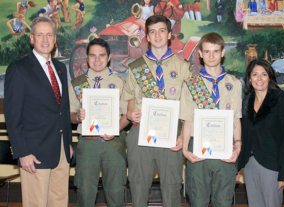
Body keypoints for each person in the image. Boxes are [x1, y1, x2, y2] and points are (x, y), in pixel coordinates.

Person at [4, 16, 72, 207]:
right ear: (32, 39)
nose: (45, 39)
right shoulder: (18, 69)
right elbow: (12, 115)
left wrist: (66, 142)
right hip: (34, 153)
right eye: (40, 35)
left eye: (49, 35)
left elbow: (62, 110)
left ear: (55, 39)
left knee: (59, 202)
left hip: (61, 152)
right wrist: (22, 152)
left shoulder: (59, 68)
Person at [123, 15, 191, 207]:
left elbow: (191, 105)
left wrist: (183, 137)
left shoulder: (183, 67)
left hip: (172, 135)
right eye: (152, 32)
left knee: (171, 188)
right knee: (138, 187)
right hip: (140, 131)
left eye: (162, 30)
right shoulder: (136, 67)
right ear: (147, 37)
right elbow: (128, 95)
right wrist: (130, 112)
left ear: (169, 34)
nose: (157, 35)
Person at [181, 32, 242, 207]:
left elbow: (236, 119)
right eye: (207, 51)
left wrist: (238, 146)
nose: (211, 56)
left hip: (226, 149)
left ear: (223, 52)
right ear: (200, 53)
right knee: (198, 201)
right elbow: (187, 120)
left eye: (215, 51)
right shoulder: (191, 83)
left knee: (223, 201)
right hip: (197, 150)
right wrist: (185, 150)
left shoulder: (235, 83)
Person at [69, 38, 129, 207]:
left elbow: (127, 115)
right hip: (88, 144)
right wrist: (77, 117)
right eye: (92, 55)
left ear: (109, 57)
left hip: (114, 143)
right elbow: (69, 114)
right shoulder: (77, 83)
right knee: (85, 192)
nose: (97, 60)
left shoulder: (120, 83)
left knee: (116, 191)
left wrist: (115, 128)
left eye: (101, 55)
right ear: (87, 58)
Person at [237, 59, 284, 207]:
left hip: (272, 166)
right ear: (249, 78)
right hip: (249, 165)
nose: (259, 79)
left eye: (264, 74)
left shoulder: (280, 100)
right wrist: (238, 166)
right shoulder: (246, 101)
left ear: (270, 77)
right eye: (255, 74)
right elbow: (244, 135)